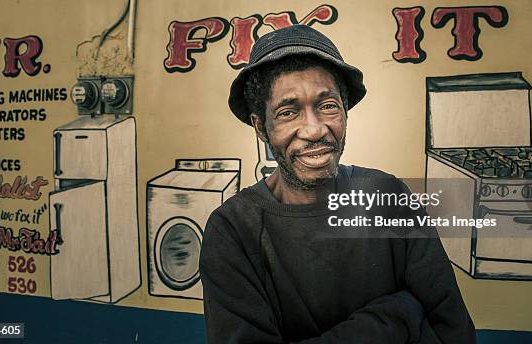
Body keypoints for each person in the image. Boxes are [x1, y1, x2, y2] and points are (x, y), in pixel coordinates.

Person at [200, 24, 476, 343]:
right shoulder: (233, 229)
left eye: (328, 106)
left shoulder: (389, 196)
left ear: (345, 111)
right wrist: (397, 317)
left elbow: (452, 329)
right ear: (261, 126)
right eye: (288, 112)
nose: (315, 130)